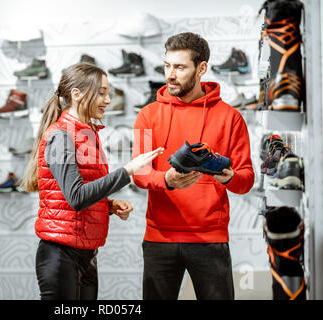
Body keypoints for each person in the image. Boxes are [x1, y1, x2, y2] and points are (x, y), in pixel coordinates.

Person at [22, 63, 163, 300]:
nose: (108, 100)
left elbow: (83, 191)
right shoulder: (60, 136)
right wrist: (127, 171)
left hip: (86, 253)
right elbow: (76, 197)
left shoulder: (87, 133)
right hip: (60, 255)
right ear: (76, 94)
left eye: (108, 93)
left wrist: (107, 205)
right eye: (101, 92)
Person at [132, 32, 254, 300]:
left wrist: (228, 178)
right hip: (159, 239)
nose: (170, 75)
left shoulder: (230, 118)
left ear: (201, 68)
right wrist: (166, 180)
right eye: (167, 65)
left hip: (210, 239)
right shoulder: (147, 115)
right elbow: (139, 174)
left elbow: (246, 179)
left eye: (180, 67)